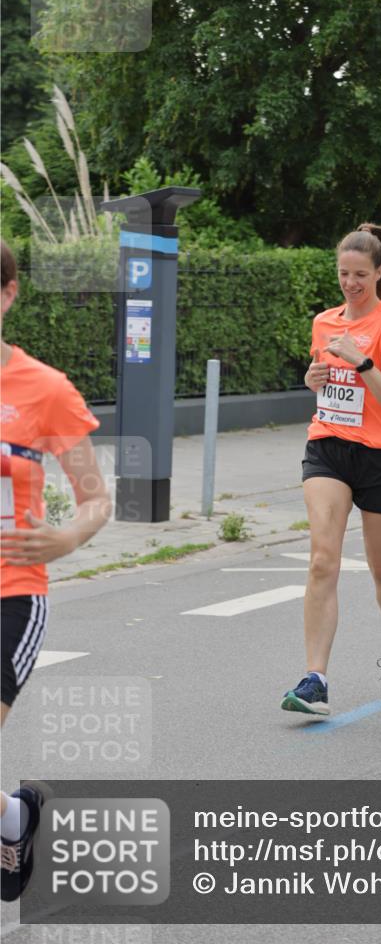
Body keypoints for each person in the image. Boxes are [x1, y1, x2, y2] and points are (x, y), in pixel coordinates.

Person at [0, 240, 111, 899]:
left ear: (8, 294)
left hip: (12, 592)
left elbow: (96, 495)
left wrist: (65, 539)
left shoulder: (44, 389)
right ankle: (17, 816)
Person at [281, 224, 381, 717]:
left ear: (379, 273)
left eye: (360, 274)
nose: (351, 283)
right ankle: (315, 679)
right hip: (330, 448)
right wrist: (312, 377)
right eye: (344, 273)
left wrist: (363, 364)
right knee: (323, 560)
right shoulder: (324, 322)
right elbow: (323, 380)